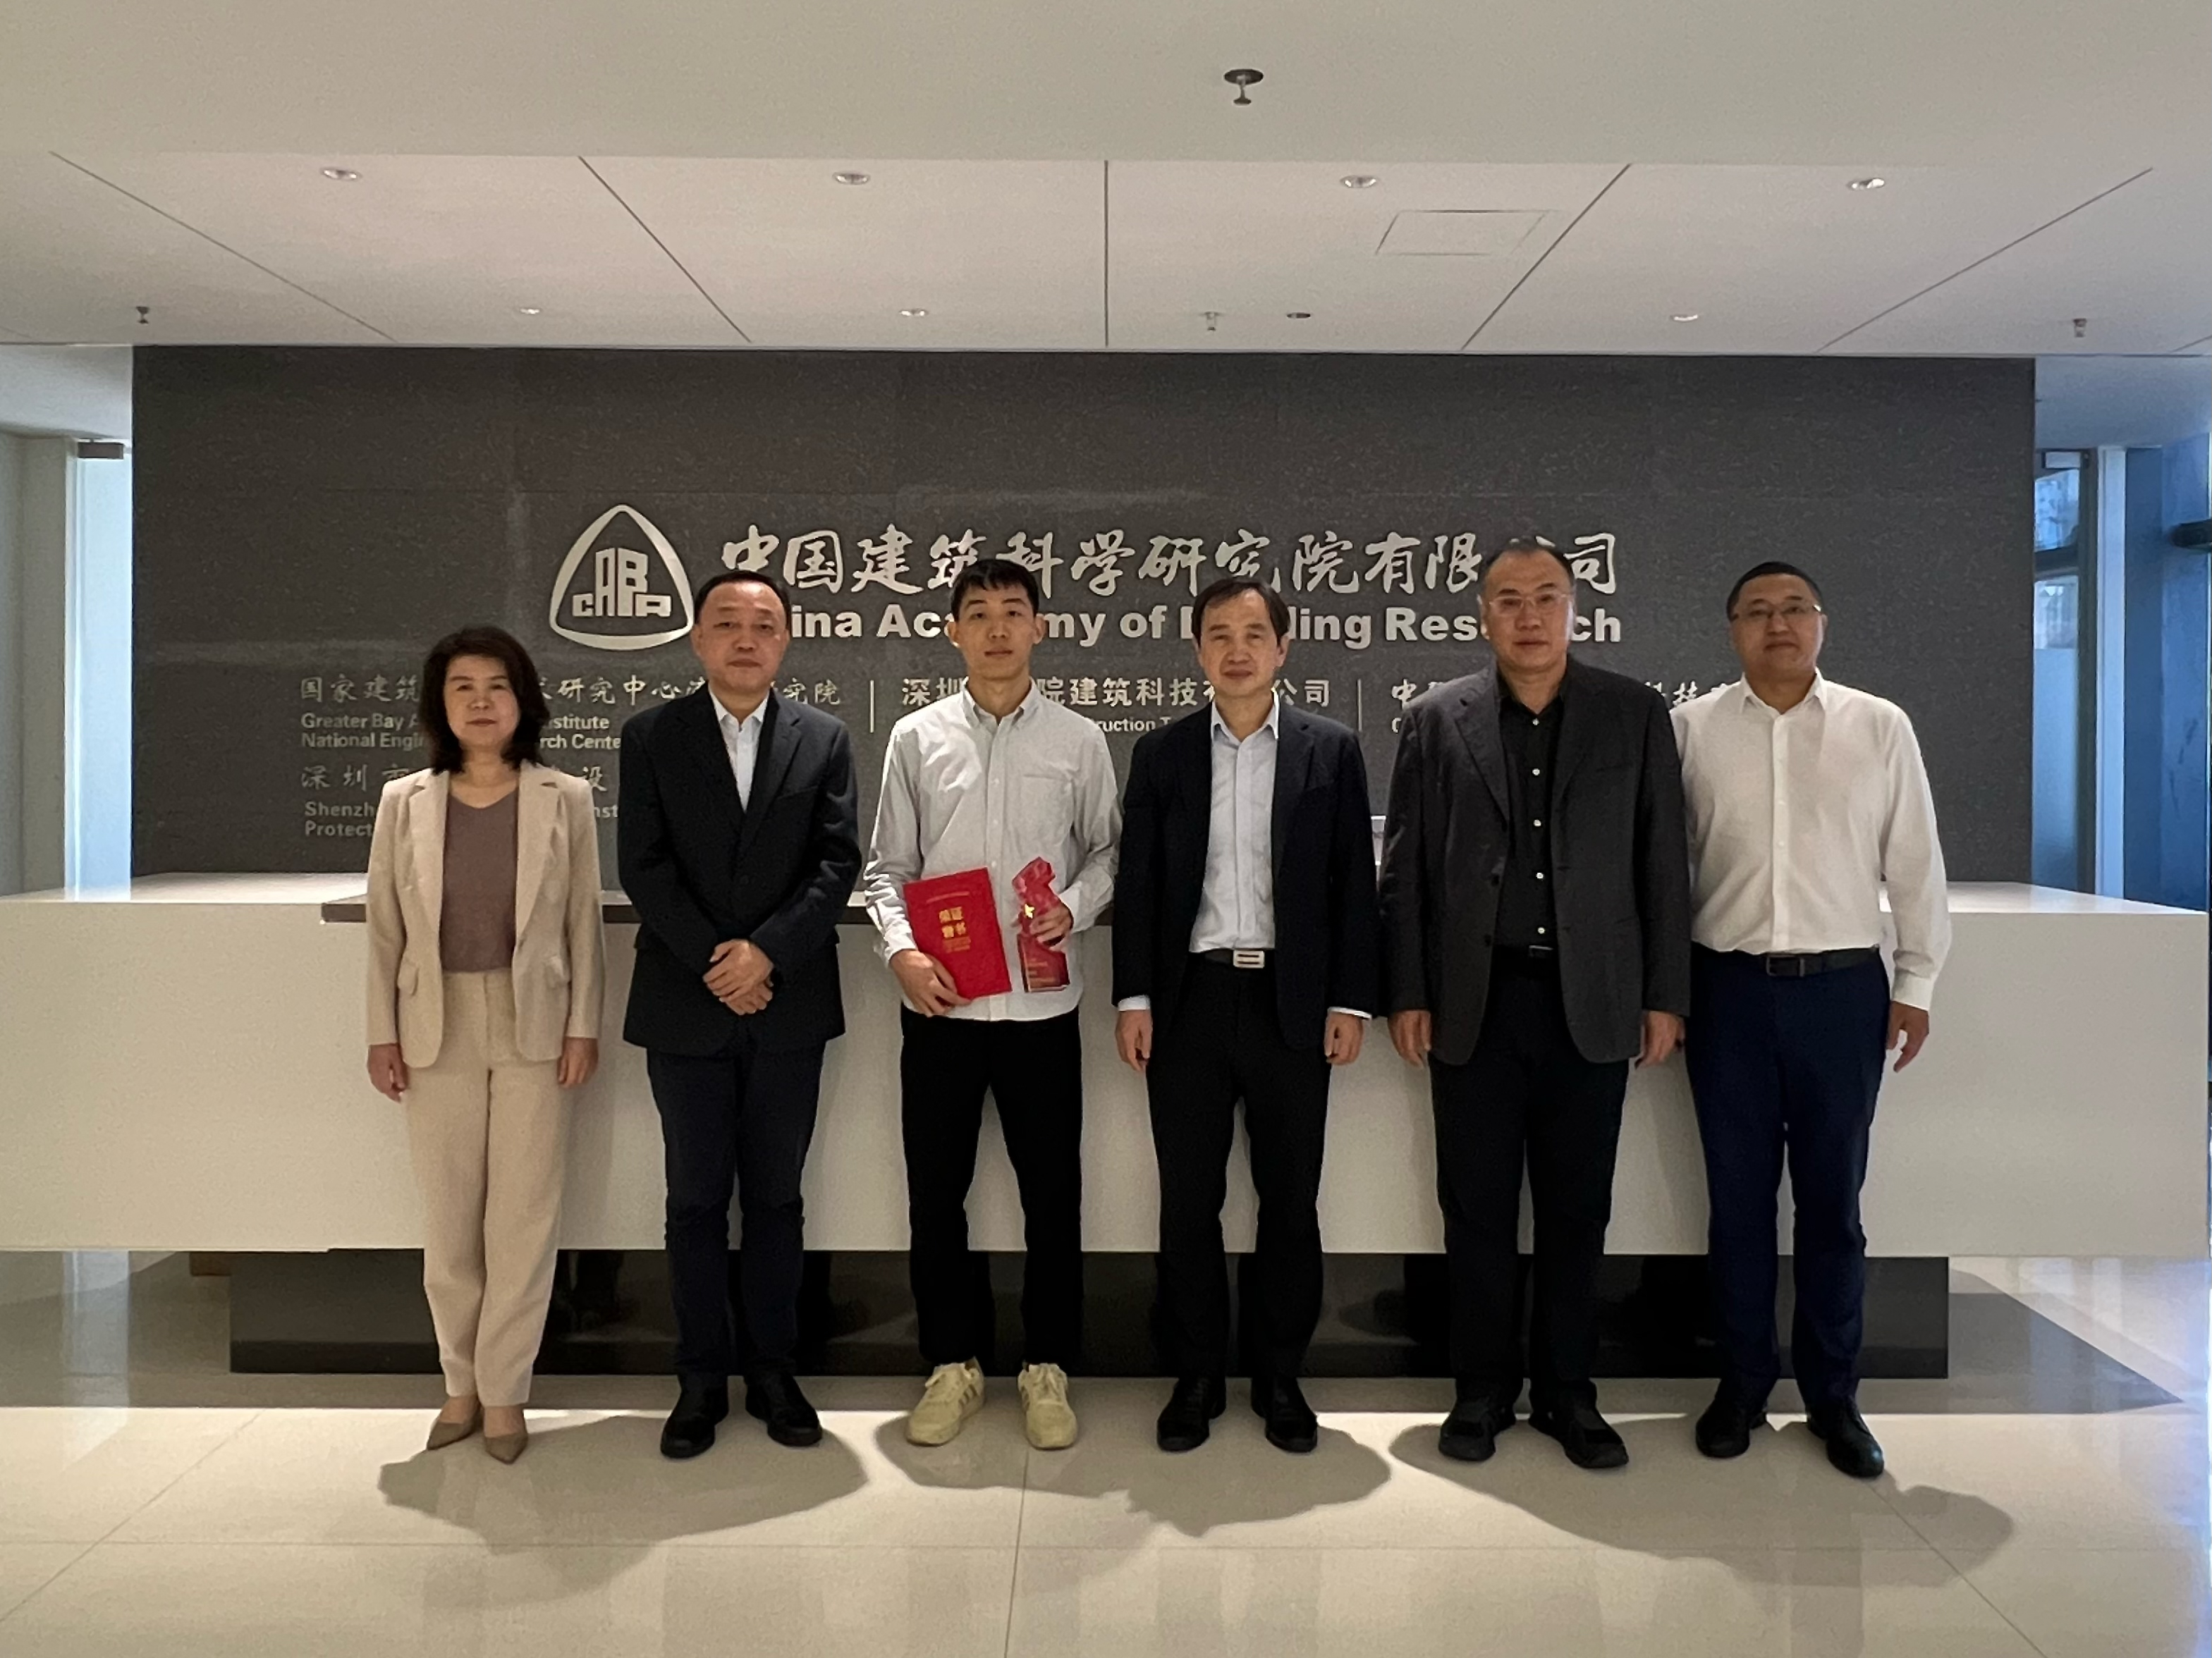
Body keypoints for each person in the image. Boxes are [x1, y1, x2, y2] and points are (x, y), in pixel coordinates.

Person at [1380, 535, 1691, 1470]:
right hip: (1475, 1003)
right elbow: (1405, 871)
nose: (1527, 615)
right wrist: (1407, 991)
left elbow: (1662, 863)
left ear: (1573, 609)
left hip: (1589, 1001)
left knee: (1576, 1210)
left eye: (1545, 596)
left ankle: (1567, 1393)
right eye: (1508, 599)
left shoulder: (1633, 714)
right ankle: (1480, 1392)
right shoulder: (1435, 718)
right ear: (1482, 615)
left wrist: (1663, 995)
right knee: (1474, 1209)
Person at [1673, 562, 1950, 1480]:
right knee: (1737, 1204)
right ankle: (1742, 1386)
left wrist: (1915, 981)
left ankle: (1834, 1397)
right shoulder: (1689, 731)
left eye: (1794, 609)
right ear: (1732, 630)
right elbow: (1664, 869)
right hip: (1725, 993)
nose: (1777, 624)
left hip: (1841, 995)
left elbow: (1914, 863)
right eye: (1756, 611)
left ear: (1821, 623)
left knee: (1833, 1204)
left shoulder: (1878, 726)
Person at [1113, 577, 1379, 1455]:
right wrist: (1133, 998)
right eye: (1219, 635)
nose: (1237, 650)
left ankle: (1279, 1375)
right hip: (1189, 1002)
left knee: (1288, 1200)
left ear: (1282, 648)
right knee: (1188, 1201)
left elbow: (1352, 883)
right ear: (1197, 651)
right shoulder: (1161, 754)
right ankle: (1195, 1375)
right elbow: (1140, 886)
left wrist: (1348, 1000)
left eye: (1253, 634)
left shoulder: (1329, 750)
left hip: (1291, 1004)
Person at [862, 556, 1120, 1451]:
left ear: (1039, 628)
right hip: (942, 1009)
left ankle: (1047, 1367)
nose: (998, 628)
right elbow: (887, 869)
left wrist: (1073, 907)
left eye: (1014, 612)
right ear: (953, 632)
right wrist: (900, 951)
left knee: (1053, 1196)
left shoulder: (1078, 740)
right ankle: (951, 1364)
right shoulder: (915, 738)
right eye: (978, 613)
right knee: (937, 1194)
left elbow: (1109, 852)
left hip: (1042, 1013)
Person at [618, 570, 860, 1461]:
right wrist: (720, 963)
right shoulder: (651, 736)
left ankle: (772, 1372)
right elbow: (643, 866)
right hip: (686, 1003)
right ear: (697, 639)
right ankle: (697, 1380)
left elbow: (836, 863)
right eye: (727, 623)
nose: (745, 639)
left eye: (763, 625)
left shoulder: (823, 738)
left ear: (786, 640)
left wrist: (766, 954)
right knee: (692, 1201)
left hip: (787, 1002)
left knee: (776, 1199)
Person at [365, 625, 606, 1465]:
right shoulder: (404, 802)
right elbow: (384, 931)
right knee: (449, 1220)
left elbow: (582, 925)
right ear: (439, 704)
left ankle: (505, 1393)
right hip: (435, 1025)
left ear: (522, 700)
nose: (479, 701)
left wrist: (582, 1025)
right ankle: (458, 1384)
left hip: (534, 1021)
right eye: (461, 686)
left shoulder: (563, 798)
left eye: (496, 686)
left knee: (523, 1219)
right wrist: (381, 1033)